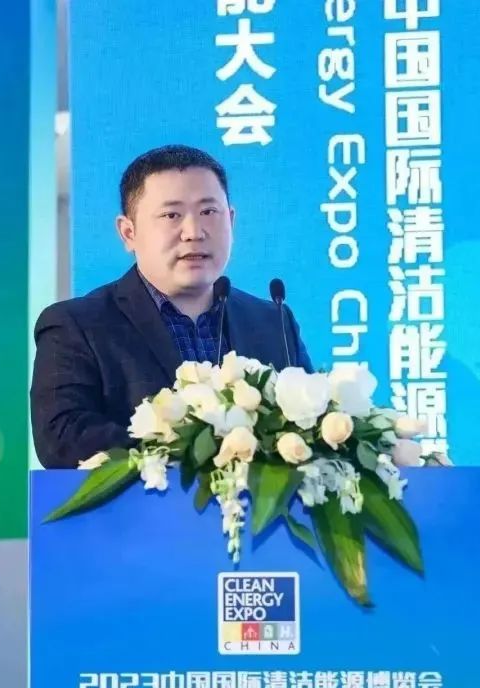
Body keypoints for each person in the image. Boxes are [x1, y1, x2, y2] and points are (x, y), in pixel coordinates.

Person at [30, 145, 313, 469]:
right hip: (142, 502)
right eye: (171, 215)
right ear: (128, 233)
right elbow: (61, 438)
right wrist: (193, 454)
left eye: (209, 212)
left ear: (231, 220)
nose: (194, 232)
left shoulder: (273, 322)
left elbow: (311, 425)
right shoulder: (77, 325)